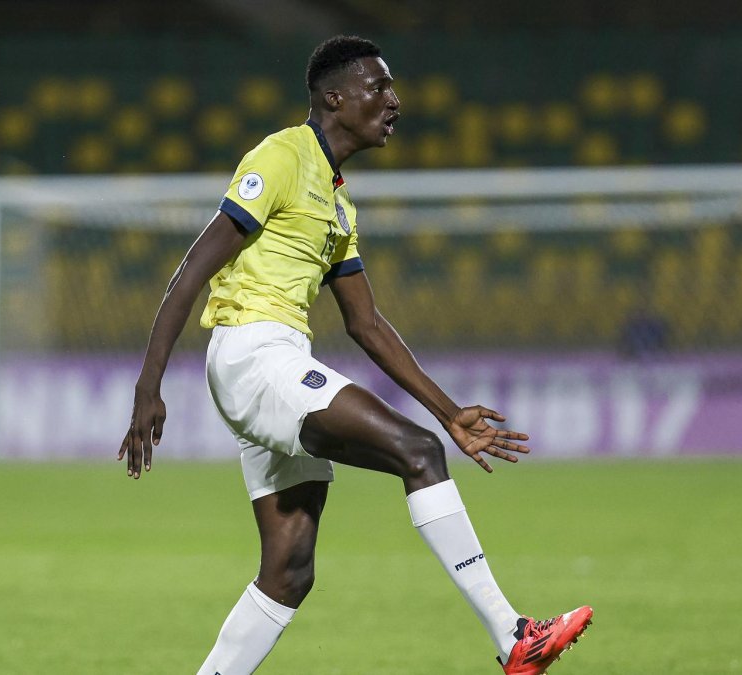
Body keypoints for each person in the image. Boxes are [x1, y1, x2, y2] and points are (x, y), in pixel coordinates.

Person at [119, 35, 592, 675]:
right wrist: (149, 387)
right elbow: (191, 272)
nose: (394, 101)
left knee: (288, 571)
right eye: (379, 88)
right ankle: (512, 636)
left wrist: (450, 413)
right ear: (335, 98)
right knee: (416, 453)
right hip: (253, 354)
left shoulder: (338, 202)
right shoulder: (281, 156)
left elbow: (367, 324)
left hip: (275, 361)